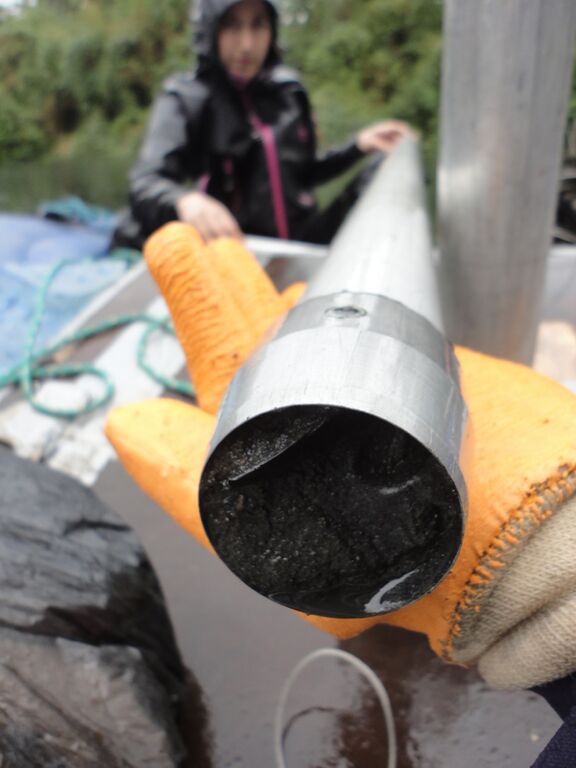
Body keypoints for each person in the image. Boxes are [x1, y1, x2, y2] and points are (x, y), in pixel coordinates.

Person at [111, 0, 412, 250]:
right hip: (238, 252)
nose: (247, 45)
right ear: (212, 29)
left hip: (302, 245)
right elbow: (146, 183)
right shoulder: (186, 98)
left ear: (272, 30)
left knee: (384, 167)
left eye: (258, 25)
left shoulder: (290, 93)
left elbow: (305, 173)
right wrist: (185, 200)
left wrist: (357, 146)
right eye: (232, 26)